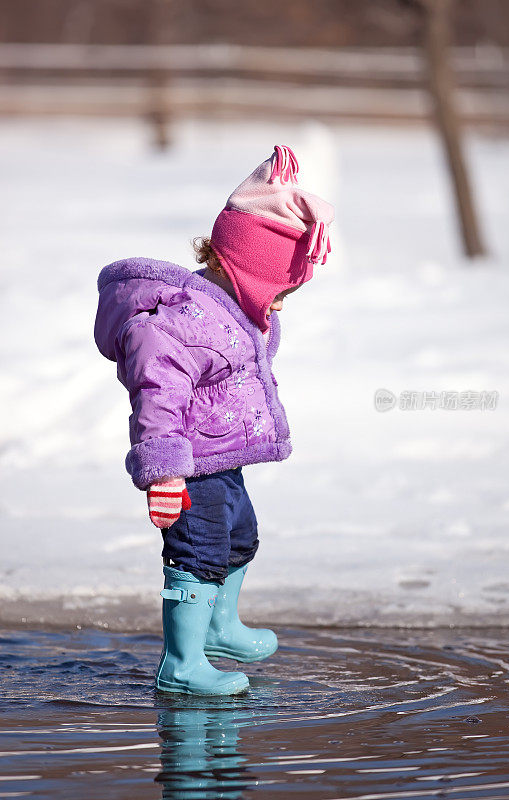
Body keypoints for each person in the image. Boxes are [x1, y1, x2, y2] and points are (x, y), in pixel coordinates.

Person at [94, 144, 334, 695]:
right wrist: (164, 472)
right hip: (189, 468)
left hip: (223, 458)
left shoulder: (234, 314)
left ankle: (220, 629)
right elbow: (157, 397)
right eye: (279, 292)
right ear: (247, 271)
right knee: (197, 553)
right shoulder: (178, 325)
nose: (280, 307)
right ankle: (181, 664)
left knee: (241, 538)